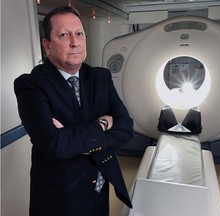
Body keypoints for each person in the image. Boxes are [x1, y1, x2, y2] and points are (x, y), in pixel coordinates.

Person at [14, 6, 134, 216]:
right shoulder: (31, 85)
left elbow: (125, 128)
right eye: (64, 35)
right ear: (47, 45)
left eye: (79, 34)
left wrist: (74, 139)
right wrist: (102, 124)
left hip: (100, 186)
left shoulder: (100, 77)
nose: (75, 42)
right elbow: (56, 144)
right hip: (61, 196)